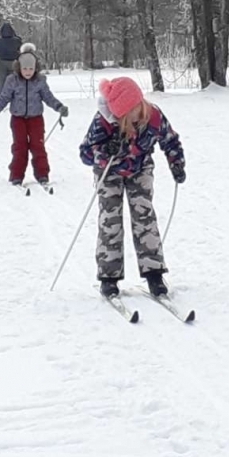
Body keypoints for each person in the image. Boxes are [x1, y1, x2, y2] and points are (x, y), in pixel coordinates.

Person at [79, 76, 185, 299]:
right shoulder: (103, 122)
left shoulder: (153, 116)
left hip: (140, 167)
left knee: (144, 216)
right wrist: (105, 150)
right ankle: (109, 278)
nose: (136, 114)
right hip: (109, 173)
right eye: (130, 112)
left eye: (138, 106)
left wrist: (177, 163)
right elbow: (86, 153)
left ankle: (154, 273)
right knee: (111, 220)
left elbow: (170, 140)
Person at [0, 43, 68, 186]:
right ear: (19, 68)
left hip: (36, 119)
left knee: (38, 146)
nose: (28, 71)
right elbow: (4, 97)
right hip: (18, 119)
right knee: (20, 147)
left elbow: (48, 97)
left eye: (31, 68)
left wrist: (59, 107)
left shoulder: (40, 81)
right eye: (25, 68)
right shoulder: (12, 81)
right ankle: (16, 176)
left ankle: (42, 174)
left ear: (35, 68)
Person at [0, 22, 22, 96]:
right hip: (14, 62)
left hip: (1, 62)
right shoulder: (17, 40)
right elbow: (21, 49)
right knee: (14, 80)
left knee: (1, 80)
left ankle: (0, 97)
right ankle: (15, 96)